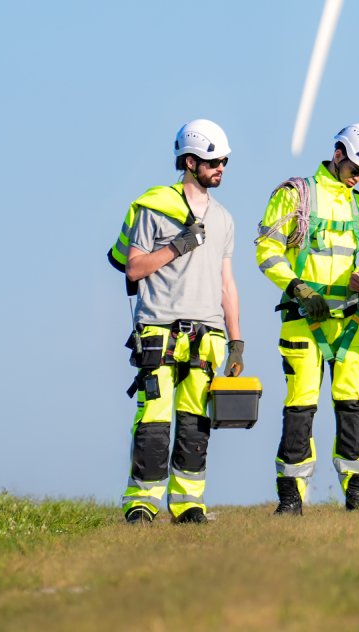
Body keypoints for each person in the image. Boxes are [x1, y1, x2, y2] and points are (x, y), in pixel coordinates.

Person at [106, 119, 243, 525]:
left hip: (208, 335)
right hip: (158, 330)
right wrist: (178, 246)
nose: (220, 167)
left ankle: (188, 505)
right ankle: (141, 504)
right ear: (189, 162)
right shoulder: (154, 207)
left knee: (195, 425)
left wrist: (237, 343)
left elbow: (227, 285)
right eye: (213, 161)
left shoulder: (224, 219)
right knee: (153, 421)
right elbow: (133, 269)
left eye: (224, 161)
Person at [255, 122, 359, 514]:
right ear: (339, 154)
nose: (358, 179)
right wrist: (297, 287)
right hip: (303, 317)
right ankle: (292, 497)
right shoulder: (295, 197)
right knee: (300, 406)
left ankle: (357, 492)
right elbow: (267, 250)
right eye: (355, 171)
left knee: (352, 406)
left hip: (352, 323)